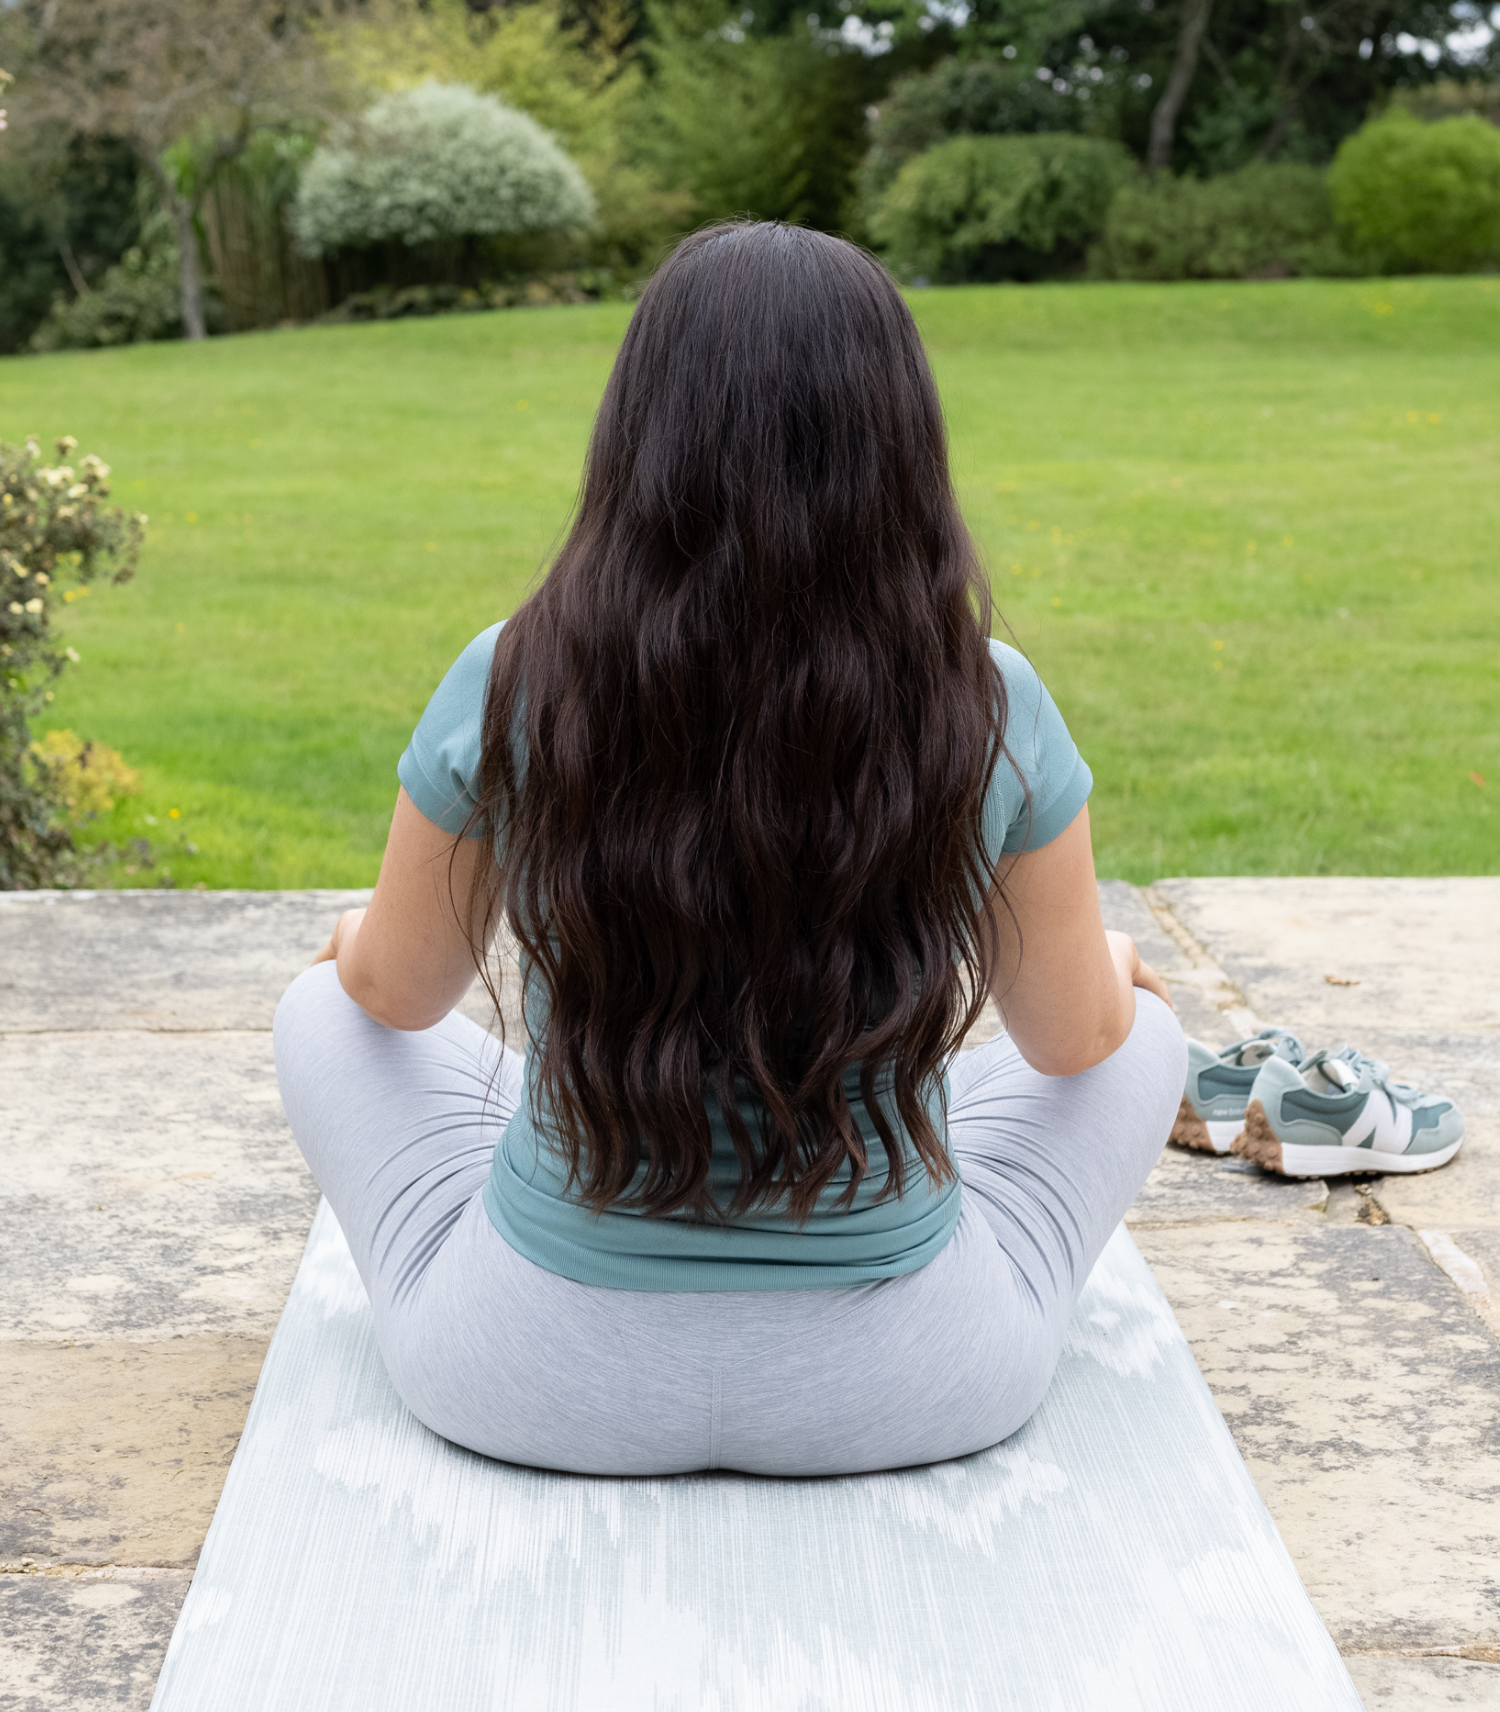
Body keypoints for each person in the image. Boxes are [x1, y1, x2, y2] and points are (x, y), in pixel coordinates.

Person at [274, 221, 1186, 1480]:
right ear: (900, 444)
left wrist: (347, 951)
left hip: (535, 1380)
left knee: (319, 1012)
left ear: (639, 436)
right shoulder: (984, 699)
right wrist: (1120, 960)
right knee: (1151, 1038)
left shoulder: (518, 677)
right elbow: (1073, 1041)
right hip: (911, 1387)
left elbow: (394, 993)